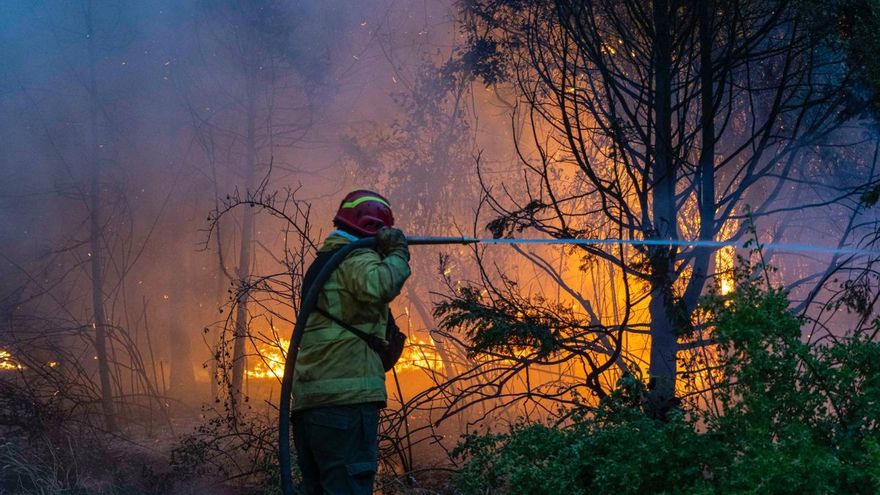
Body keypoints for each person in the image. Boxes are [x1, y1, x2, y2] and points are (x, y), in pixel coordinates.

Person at [292, 190, 410, 494]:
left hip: (312, 406)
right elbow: (380, 284)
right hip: (345, 405)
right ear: (375, 229)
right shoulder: (356, 256)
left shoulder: (327, 262)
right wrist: (398, 252)